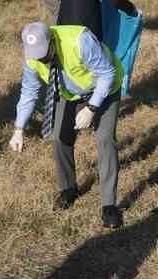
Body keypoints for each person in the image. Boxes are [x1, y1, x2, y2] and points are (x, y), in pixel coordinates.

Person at [9, 22, 125, 229]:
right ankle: (69, 188)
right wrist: (18, 130)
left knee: (104, 139)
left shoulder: (80, 41)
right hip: (69, 93)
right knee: (60, 136)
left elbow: (107, 74)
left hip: (104, 87)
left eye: (44, 54)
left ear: (52, 39)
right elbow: (29, 92)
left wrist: (91, 108)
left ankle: (109, 205)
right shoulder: (32, 58)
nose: (42, 59)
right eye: (37, 56)